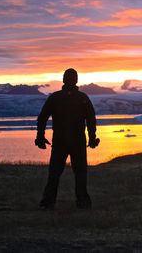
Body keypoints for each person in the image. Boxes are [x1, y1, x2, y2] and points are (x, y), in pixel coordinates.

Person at [35, 68, 100, 210]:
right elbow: (91, 120)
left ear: (63, 80)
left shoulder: (55, 97)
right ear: (76, 80)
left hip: (60, 141)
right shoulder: (82, 98)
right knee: (80, 172)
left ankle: (48, 203)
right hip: (77, 141)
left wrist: (40, 136)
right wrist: (92, 138)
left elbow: (42, 118)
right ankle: (82, 202)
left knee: (55, 173)